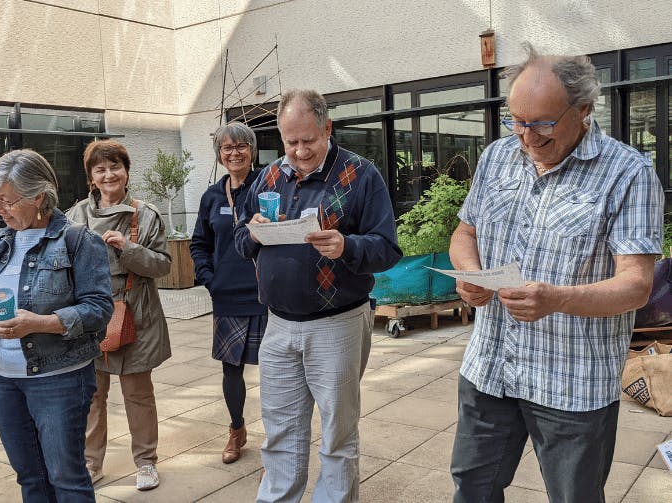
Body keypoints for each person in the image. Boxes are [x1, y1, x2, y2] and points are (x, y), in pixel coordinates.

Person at [449, 44, 664, 503]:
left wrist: (554, 298)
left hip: (572, 383)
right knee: (473, 488)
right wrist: (470, 274)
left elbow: (635, 285)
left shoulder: (628, 173)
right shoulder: (497, 157)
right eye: (516, 121)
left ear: (583, 109)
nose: (527, 138)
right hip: (490, 369)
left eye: (542, 123)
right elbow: (464, 233)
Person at [234, 89, 402, 502]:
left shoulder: (362, 174)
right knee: (279, 431)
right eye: (290, 142)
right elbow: (240, 240)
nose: (299, 151)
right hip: (278, 324)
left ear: (327, 128)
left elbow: (387, 248)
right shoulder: (270, 176)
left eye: (308, 140)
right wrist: (252, 232)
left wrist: (348, 247)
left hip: (338, 323)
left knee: (337, 434)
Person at [0, 149, 113, 502]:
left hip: (60, 378)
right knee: (28, 476)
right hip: (4, 378)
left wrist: (40, 323)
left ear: (38, 196)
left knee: (66, 476)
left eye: (7, 201)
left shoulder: (79, 241)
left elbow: (100, 309)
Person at [66, 139, 172, 491]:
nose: (108, 174)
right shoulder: (76, 216)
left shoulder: (146, 214)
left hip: (136, 312)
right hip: (92, 315)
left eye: (115, 167)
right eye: (100, 169)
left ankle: (146, 462)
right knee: (92, 395)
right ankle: (90, 463)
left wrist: (129, 248)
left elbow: (162, 266)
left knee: (138, 394)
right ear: (91, 177)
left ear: (126, 172)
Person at [190, 122, 268, 464]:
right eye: (227, 148)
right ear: (219, 155)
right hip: (228, 296)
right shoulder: (212, 196)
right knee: (231, 369)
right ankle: (237, 430)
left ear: (252, 150)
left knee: (274, 371)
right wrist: (210, 278)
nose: (234, 153)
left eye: (241, 146)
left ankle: (276, 443)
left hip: (267, 295)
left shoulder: (267, 187)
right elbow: (199, 244)